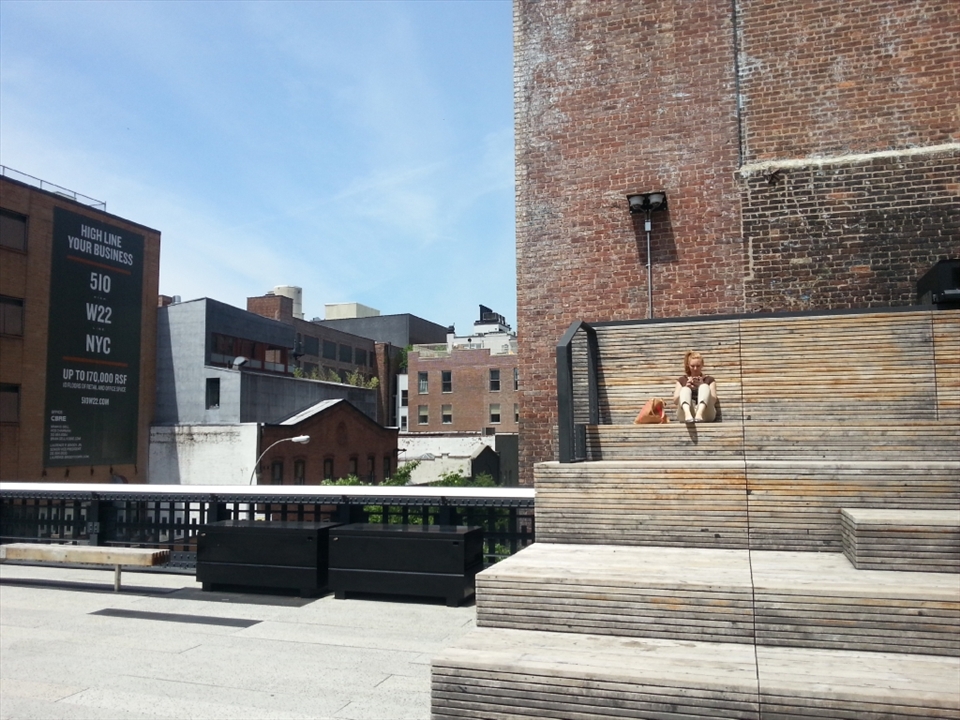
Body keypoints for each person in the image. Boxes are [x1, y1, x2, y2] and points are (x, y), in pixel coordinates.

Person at [673, 351, 717, 423]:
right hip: (685, 414)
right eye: (692, 366)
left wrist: (702, 385)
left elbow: (713, 400)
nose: (695, 369)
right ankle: (688, 414)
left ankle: (699, 413)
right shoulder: (682, 380)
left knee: (704, 386)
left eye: (698, 366)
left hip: (706, 414)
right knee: (685, 389)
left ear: (702, 365)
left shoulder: (710, 380)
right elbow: (675, 401)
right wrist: (687, 387)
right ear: (688, 365)